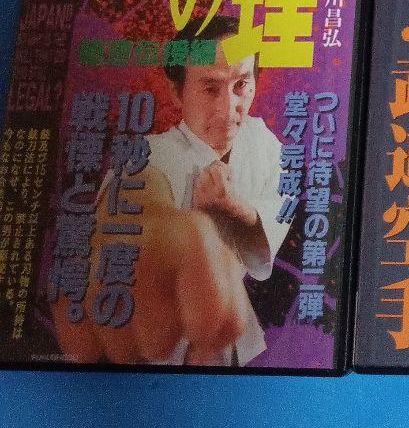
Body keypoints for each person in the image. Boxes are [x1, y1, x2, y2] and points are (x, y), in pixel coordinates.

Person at [52, 26, 289, 366]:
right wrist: (155, 233)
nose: (228, 109)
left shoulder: (263, 143)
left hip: (241, 340)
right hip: (160, 344)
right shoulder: (150, 154)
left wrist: (230, 208)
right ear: (176, 92)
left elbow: (269, 229)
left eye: (241, 85)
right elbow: (138, 193)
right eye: (210, 88)